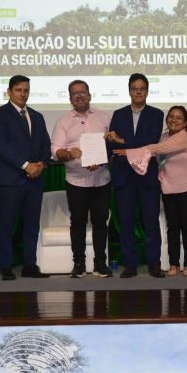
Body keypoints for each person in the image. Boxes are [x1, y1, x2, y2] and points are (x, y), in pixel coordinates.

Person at [114, 106, 187, 277]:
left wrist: (126, 148)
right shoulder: (164, 136)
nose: (174, 120)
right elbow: (151, 155)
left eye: (179, 118)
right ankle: (174, 264)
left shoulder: (184, 137)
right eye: (171, 117)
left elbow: (156, 149)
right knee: (172, 228)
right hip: (168, 188)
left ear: (185, 123)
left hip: (186, 188)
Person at [0, 75, 51, 280]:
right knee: (6, 225)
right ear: (9, 91)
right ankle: (5, 266)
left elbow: (45, 145)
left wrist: (41, 164)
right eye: (18, 90)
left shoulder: (37, 116)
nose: (23, 94)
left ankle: (29, 265)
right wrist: (26, 165)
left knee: (32, 225)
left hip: (35, 180)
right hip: (11, 180)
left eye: (26, 90)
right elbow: (1, 146)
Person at [51, 79, 113, 278]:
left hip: (101, 179)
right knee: (77, 223)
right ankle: (78, 263)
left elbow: (112, 147)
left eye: (82, 93)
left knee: (100, 222)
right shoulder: (63, 121)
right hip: (76, 181)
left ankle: (100, 263)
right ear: (70, 98)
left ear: (89, 95)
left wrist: (102, 161)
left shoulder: (104, 117)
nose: (79, 96)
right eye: (74, 94)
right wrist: (69, 154)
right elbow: (55, 151)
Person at [105, 73, 165, 278]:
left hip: (147, 176)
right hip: (124, 177)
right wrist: (119, 142)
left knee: (151, 222)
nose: (138, 91)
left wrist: (123, 142)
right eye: (134, 88)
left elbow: (150, 142)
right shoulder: (118, 114)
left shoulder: (157, 114)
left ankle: (154, 263)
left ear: (147, 91)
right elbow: (112, 144)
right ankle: (130, 264)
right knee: (126, 222)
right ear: (129, 90)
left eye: (142, 88)